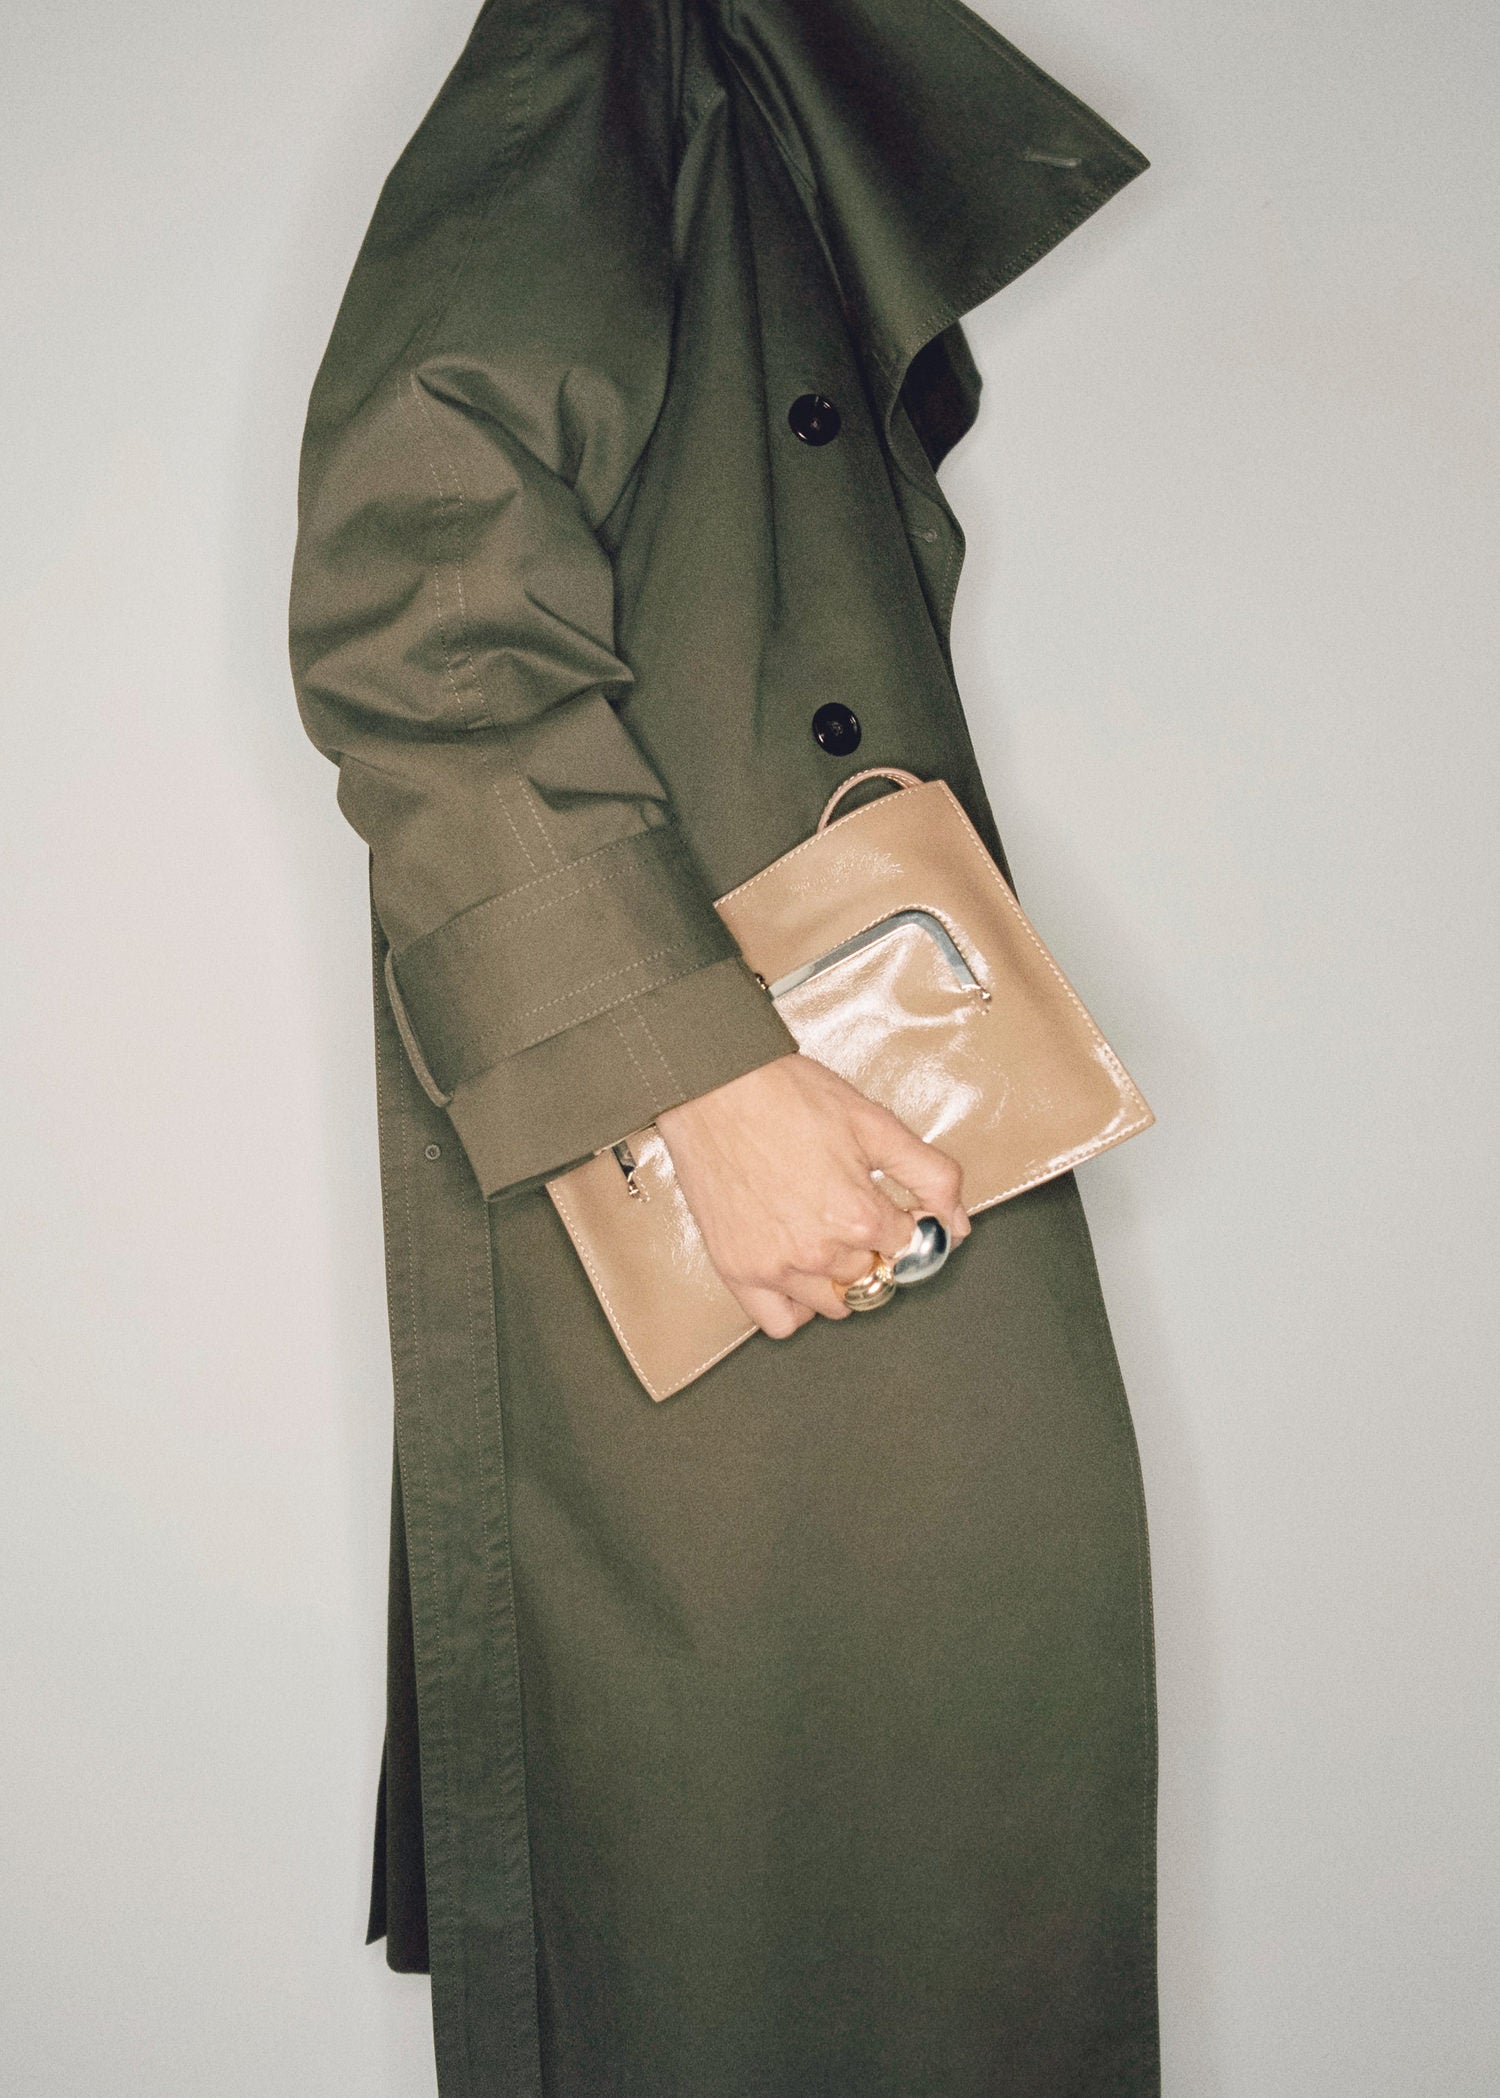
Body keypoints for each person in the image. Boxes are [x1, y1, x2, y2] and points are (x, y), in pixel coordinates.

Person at [288, 3, 1158, 2093]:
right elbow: (419, 582)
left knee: (922, 1878)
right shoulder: (629, 38)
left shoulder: (738, 85)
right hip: (751, 1176)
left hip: (845, 1148)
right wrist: (689, 1082)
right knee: (765, 1917)